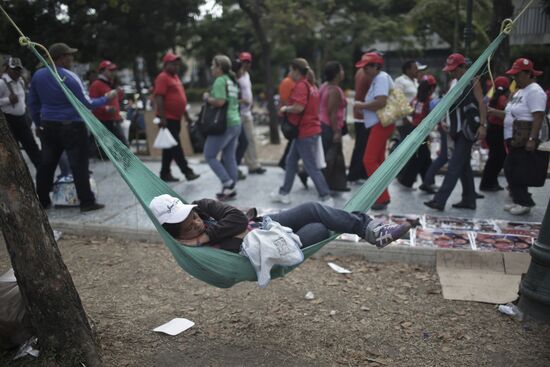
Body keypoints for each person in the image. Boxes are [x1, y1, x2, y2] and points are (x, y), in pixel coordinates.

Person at [149, 194, 412, 252]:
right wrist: (211, 235)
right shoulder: (189, 245)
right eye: (185, 223)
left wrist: (204, 207)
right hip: (270, 246)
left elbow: (239, 220)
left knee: (312, 208)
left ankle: (370, 230)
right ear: (174, 231)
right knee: (321, 228)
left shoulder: (202, 223)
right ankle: (368, 228)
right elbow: (237, 224)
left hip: (263, 225)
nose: (195, 223)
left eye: (193, 215)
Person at [28, 43, 116, 212]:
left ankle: (42, 200)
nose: (72, 59)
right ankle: (87, 202)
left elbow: (33, 103)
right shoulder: (69, 76)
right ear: (60, 58)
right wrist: (107, 97)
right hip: (72, 127)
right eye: (69, 55)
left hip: (48, 126)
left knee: (47, 165)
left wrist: (38, 124)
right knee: (79, 165)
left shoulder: (38, 76)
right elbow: (87, 103)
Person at [424, 53, 487, 211]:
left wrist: (483, 125)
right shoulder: (454, 82)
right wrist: (444, 121)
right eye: (450, 70)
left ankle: (439, 200)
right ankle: (469, 199)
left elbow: (481, 103)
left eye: (454, 69)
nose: (452, 72)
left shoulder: (473, 80)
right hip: (454, 130)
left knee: (453, 166)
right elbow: (448, 104)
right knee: (463, 166)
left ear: (463, 66)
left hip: (467, 130)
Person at [271, 58, 333, 205]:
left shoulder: (301, 86)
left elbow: (299, 107)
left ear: (297, 71)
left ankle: (326, 197)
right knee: (291, 162)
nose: (289, 73)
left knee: (311, 166)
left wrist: (285, 108)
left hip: (305, 132)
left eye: (291, 70)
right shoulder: (312, 86)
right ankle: (284, 193)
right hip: (307, 130)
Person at [501, 58, 548, 215]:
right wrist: (493, 112)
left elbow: (538, 116)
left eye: (518, 74)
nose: (515, 78)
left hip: (524, 137)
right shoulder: (520, 91)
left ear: (528, 74)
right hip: (513, 137)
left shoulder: (535, 91)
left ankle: (524, 202)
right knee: (512, 169)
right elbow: (510, 112)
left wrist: (532, 139)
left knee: (515, 170)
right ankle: (518, 199)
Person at [353, 52, 394, 210]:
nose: (364, 70)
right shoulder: (380, 78)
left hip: (380, 124)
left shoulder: (381, 78)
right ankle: (382, 196)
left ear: (376, 66)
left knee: (369, 160)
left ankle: (381, 197)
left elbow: (380, 102)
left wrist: (360, 106)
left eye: (366, 66)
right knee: (377, 161)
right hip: (381, 124)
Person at [154, 51, 199, 183]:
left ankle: (165, 173)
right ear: (166, 64)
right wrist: (163, 118)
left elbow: (181, 99)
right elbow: (159, 97)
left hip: (176, 117)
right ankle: (187, 171)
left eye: (177, 64)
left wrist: (186, 115)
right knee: (175, 146)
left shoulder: (175, 77)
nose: (176, 67)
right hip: (167, 118)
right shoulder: (163, 77)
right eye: (173, 64)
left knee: (169, 147)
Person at [203, 54, 242, 200]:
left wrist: (207, 98)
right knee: (229, 156)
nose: (212, 68)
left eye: (213, 65)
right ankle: (230, 189)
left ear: (219, 67)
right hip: (235, 122)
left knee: (210, 155)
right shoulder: (232, 80)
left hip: (223, 124)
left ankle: (227, 182)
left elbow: (219, 102)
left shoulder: (220, 80)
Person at [0, 57, 41, 169]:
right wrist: (8, 100)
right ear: (7, 69)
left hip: (22, 120)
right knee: (13, 152)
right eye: (14, 69)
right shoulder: (2, 83)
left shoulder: (21, 81)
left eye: (19, 69)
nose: (17, 72)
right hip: (9, 121)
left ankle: (43, 174)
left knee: (33, 148)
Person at [398, 75, 437, 189]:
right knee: (419, 158)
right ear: (431, 88)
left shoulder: (416, 99)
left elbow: (410, 112)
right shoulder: (430, 101)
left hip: (414, 130)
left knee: (424, 157)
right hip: (422, 133)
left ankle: (427, 181)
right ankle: (407, 181)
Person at [319, 61, 349, 191]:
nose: (343, 72)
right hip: (330, 126)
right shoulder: (335, 91)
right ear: (336, 74)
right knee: (332, 157)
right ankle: (330, 184)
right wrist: (336, 131)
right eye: (341, 70)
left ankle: (335, 183)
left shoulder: (324, 86)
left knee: (330, 156)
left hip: (323, 124)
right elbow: (332, 113)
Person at [89, 60, 128, 156]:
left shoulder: (110, 83)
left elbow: (116, 101)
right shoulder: (96, 85)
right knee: (119, 145)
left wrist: (121, 95)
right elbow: (92, 103)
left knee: (122, 145)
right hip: (103, 121)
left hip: (113, 119)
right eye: (110, 70)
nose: (113, 72)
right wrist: (106, 109)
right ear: (102, 71)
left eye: (114, 70)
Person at [237, 52, 265, 175]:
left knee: (250, 139)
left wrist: (251, 102)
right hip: (238, 113)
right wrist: (243, 101)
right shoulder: (236, 76)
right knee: (239, 142)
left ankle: (253, 165)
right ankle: (233, 166)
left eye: (248, 62)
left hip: (247, 113)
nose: (246, 64)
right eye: (244, 61)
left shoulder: (247, 75)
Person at [480, 76, 510, 192]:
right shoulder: (503, 98)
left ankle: (492, 182)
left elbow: (484, 105)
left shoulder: (490, 96)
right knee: (499, 158)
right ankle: (487, 183)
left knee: (494, 158)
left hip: (491, 129)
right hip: (498, 130)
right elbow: (507, 112)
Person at [348, 64, 372, 183]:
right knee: (362, 147)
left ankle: (360, 173)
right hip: (364, 116)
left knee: (361, 146)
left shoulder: (359, 72)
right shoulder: (368, 75)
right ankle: (355, 174)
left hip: (359, 114)